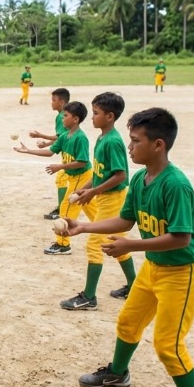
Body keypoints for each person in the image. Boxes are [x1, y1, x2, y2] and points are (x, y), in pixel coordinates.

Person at [64, 107, 194, 387]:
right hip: (154, 267)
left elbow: (181, 238)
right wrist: (84, 227)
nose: (129, 147)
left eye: (135, 141)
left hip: (182, 272)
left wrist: (131, 246)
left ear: (158, 145)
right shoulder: (140, 179)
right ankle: (118, 373)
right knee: (128, 322)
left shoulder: (175, 184)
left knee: (168, 343)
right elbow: (125, 220)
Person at [62, 92, 136, 309]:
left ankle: (89, 297)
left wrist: (93, 192)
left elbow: (120, 176)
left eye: (96, 113)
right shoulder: (102, 138)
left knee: (94, 244)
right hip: (106, 197)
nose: (92, 117)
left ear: (110, 116)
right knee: (116, 240)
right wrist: (85, 189)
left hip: (113, 198)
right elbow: (99, 172)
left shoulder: (112, 141)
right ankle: (134, 285)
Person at [14, 101, 91, 255]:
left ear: (76, 119)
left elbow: (82, 162)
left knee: (66, 208)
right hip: (75, 177)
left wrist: (60, 167)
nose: (62, 118)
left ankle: (63, 245)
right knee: (91, 207)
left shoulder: (80, 138)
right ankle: (107, 229)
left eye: (66, 115)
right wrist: (28, 151)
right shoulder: (65, 135)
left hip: (82, 177)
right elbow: (50, 152)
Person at [27, 88, 71, 220]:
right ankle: (64, 207)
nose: (52, 103)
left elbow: (61, 137)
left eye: (54, 100)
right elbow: (61, 137)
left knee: (62, 178)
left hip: (70, 154)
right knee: (64, 179)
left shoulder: (62, 116)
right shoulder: (64, 115)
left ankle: (62, 210)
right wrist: (46, 144)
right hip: (67, 153)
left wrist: (40, 135)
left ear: (62, 102)